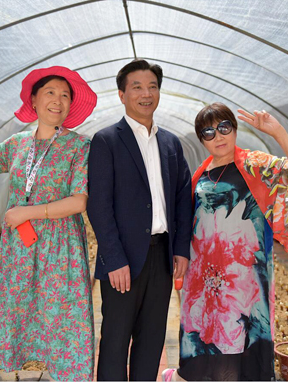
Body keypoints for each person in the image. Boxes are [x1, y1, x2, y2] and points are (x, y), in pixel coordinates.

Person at [0, 66, 97, 381]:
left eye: (65, 95)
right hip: (22, 246)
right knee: (22, 309)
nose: (58, 100)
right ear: (34, 100)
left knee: (62, 316)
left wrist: (27, 213)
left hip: (60, 246)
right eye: (50, 93)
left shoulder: (79, 146)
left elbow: (78, 201)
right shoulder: (17, 143)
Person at [162, 103, 288, 381]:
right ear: (201, 140)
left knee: (241, 330)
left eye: (224, 127)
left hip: (243, 275)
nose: (218, 136)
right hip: (204, 277)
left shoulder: (255, 165)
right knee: (206, 332)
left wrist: (279, 133)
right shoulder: (201, 174)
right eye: (208, 132)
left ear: (234, 129)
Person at [87, 59, 192, 381]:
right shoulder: (106, 140)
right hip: (123, 260)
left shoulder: (170, 143)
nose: (146, 94)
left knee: (152, 339)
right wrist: (114, 258)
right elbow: (99, 206)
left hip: (162, 256)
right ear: (122, 94)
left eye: (152, 87)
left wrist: (181, 249)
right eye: (137, 87)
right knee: (115, 340)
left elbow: (182, 199)